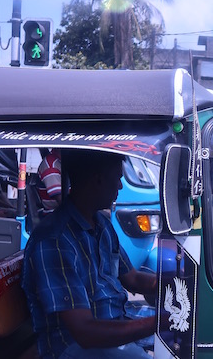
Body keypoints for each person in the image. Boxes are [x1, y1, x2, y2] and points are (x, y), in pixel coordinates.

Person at [22, 150, 158, 359]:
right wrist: (158, 323)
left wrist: (173, 285)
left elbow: (132, 278)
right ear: (98, 180)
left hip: (113, 322)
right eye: (118, 179)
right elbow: (84, 332)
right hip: (72, 346)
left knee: (192, 336)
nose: (120, 186)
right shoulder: (54, 242)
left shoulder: (101, 224)